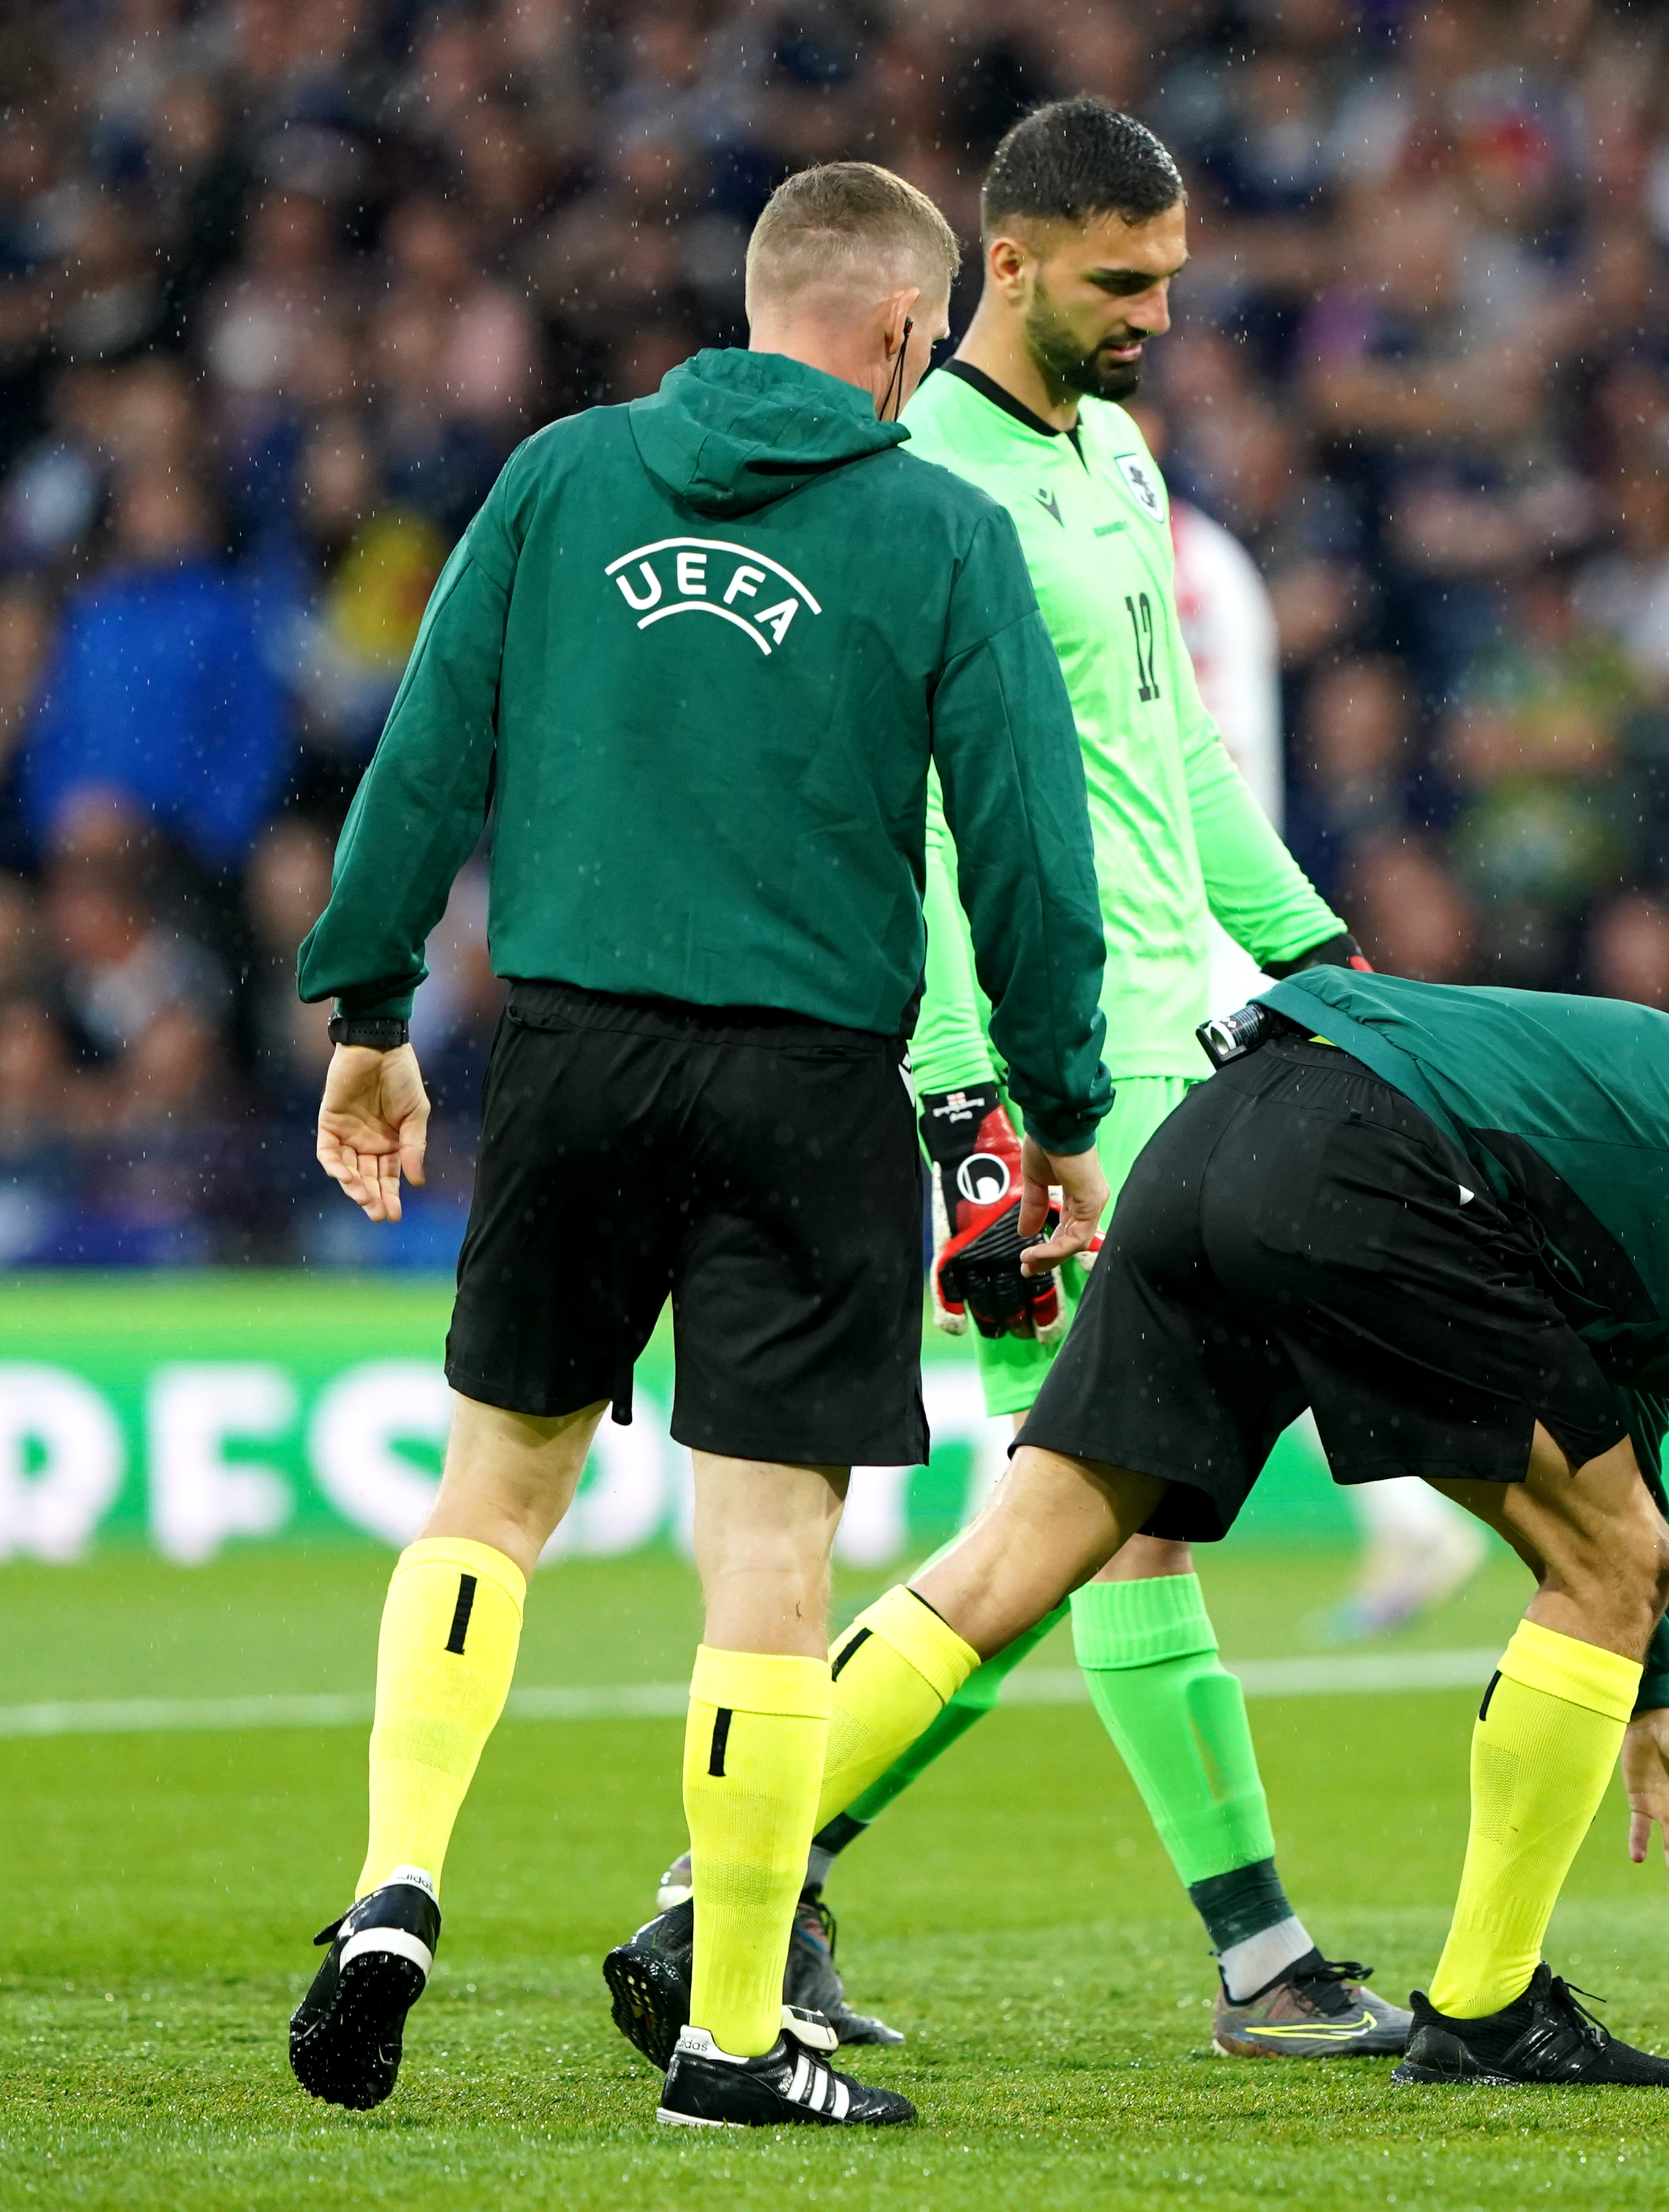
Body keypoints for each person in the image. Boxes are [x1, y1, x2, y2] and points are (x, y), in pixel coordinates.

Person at [287, 161, 1115, 2131]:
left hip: (571, 1051)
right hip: (806, 1081)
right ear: (910, 332)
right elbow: (1025, 848)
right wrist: (1060, 1109)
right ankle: (735, 2035)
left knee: (492, 1497)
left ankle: (396, 1881)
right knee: (765, 1556)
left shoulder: (566, 478)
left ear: (758, 306)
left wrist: (367, 1010)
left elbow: (427, 751)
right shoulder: (933, 524)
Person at [605, 98, 1412, 2067]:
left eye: (1174, 279)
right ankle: (750, 1894)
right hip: (1032, 1093)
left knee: (1108, 1521)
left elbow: (1184, 756)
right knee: (1079, 1521)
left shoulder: (1119, 463)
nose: (1156, 313)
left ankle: (758, 1891)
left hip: (1167, 1052)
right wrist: (966, 1102)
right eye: (1123, 281)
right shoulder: (916, 488)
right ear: (1013, 264)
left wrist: (1314, 952)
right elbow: (934, 834)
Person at [785, 968, 1669, 2098]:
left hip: (1226, 1124)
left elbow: (1613, 1405)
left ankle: (714, 1910)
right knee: (1614, 1561)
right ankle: (1484, 2010)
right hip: (1372, 1160)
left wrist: (1645, 1695)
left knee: (1020, 1559)